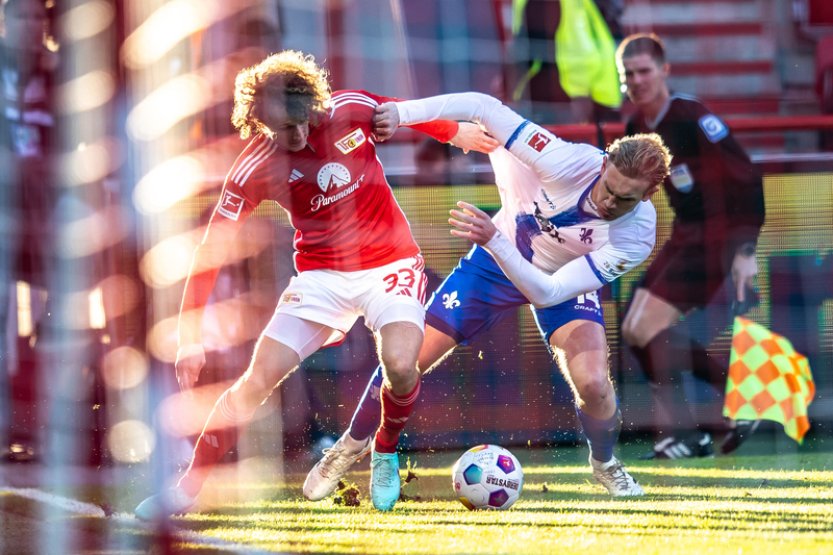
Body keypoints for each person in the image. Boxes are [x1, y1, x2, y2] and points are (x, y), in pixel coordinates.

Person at [133, 50, 498, 519]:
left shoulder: (346, 108)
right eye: (285, 128)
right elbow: (210, 250)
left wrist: (455, 131)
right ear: (259, 122)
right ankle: (185, 490)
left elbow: (396, 108)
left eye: (303, 120)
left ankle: (383, 451)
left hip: (391, 265)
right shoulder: (252, 168)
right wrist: (189, 337)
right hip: (321, 278)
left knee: (402, 366)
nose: (300, 133)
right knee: (254, 383)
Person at [303, 91, 672, 501]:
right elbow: (482, 105)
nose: (608, 202)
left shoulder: (637, 235)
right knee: (405, 361)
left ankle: (605, 464)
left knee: (595, 385)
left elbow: (548, 291)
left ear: (648, 197)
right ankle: (349, 446)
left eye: (625, 199)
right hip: (491, 267)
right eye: (609, 188)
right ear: (604, 165)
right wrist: (402, 113)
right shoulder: (563, 159)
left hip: (555, 278)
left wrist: (496, 240)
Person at [616, 34, 766, 459]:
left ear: (664, 71)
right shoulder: (635, 129)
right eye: (628, 74)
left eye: (644, 71)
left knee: (643, 329)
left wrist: (745, 252)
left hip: (717, 240)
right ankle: (698, 426)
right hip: (684, 236)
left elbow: (748, 179)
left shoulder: (692, 117)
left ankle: (698, 425)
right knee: (633, 327)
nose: (637, 80)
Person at [0, 0, 57, 463]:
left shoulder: (63, 75)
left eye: (39, 15)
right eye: (22, 14)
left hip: (49, 220)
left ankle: (40, 423)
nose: (32, 24)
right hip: (5, 215)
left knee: (57, 318)